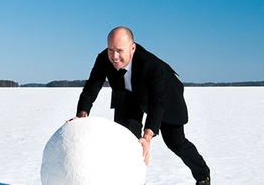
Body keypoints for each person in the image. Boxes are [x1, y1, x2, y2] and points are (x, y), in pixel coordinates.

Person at [72, 26, 211, 185]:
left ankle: (203, 174)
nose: (114, 56)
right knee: (126, 142)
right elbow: (92, 86)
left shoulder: (151, 65)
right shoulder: (104, 58)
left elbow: (157, 102)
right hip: (128, 98)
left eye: (119, 50)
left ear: (132, 48)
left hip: (166, 97)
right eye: (110, 50)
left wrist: (147, 136)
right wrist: (82, 115)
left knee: (176, 142)